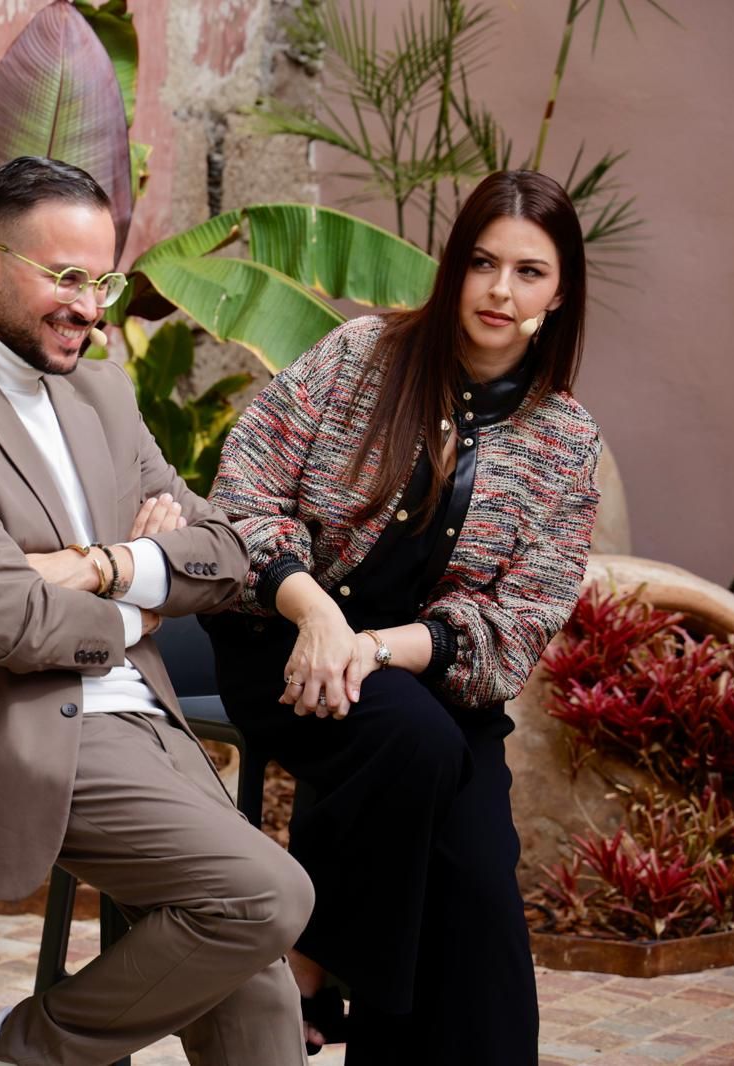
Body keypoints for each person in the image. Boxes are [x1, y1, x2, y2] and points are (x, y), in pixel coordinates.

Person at [0, 155, 314, 1066]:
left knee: (255, 981)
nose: (92, 306)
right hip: (7, 731)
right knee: (262, 898)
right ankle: (15, 1053)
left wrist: (104, 566)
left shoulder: (101, 392)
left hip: (141, 722)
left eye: (104, 279)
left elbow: (229, 551)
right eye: (67, 277)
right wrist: (144, 604)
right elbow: (3, 623)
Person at [204, 170, 600, 1064]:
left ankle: (316, 968)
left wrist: (377, 647)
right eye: (483, 263)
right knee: (415, 746)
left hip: (432, 680)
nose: (501, 291)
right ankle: (309, 968)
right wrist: (314, 612)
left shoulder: (566, 442)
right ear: (453, 266)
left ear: (560, 289)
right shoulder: (359, 355)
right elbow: (245, 488)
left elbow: (522, 622)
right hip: (284, 643)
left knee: (482, 930)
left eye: (529, 272)